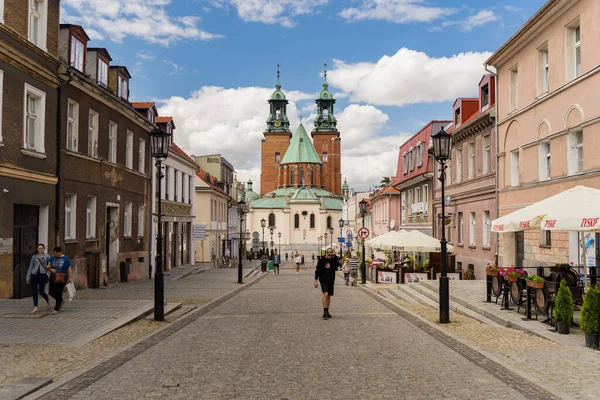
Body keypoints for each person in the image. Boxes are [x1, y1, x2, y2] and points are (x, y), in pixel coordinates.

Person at [314, 248, 340, 319]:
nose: (330, 256)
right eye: (329, 254)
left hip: (331, 280)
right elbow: (317, 270)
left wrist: (334, 257)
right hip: (323, 279)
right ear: (326, 253)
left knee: (328, 295)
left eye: (331, 254)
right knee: (325, 294)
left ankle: (327, 310)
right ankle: (325, 312)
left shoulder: (333, 259)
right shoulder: (322, 260)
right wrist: (315, 280)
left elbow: (338, 265)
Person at [26, 243, 51, 313]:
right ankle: (35, 307)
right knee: (34, 291)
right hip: (34, 274)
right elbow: (30, 267)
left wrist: (49, 270)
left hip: (42, 275)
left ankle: (47, 299)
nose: (40, 249)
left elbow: (50, 265)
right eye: (39, 248)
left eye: (41, 248)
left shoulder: (47, 256)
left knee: (41, 291)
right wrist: (28, 277)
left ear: (43, 249)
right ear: (37, 249)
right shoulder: (34, 257)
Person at [47, 246, 72, 314]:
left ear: (60, 252)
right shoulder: (52, 258)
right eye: (54, 253)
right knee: (51, 292)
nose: (55, 255)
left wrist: (70, 277)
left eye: (57, 253)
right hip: (53, 277)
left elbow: (69, 268)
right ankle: (60, 301)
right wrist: (50, 269)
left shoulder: (65, 258)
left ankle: (56, 308)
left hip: (62, 277)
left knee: (58, 292)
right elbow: (49, 266)